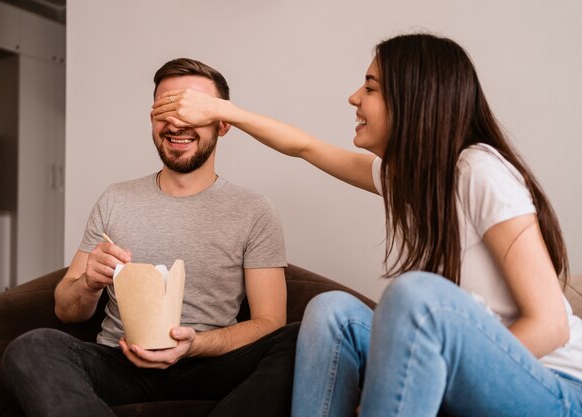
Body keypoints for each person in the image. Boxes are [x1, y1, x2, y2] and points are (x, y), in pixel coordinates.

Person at [151, 34, 582, 416]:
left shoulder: (479, 169)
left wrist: (436, 378)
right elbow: (305, 146)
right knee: (331, 311)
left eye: (371, 87)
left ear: (414, 98)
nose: (354, 97)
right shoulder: (409, 179)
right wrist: (223, 110)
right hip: (480, 371)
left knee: (418, 297)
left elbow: (550, 325)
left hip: (554, 389)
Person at [1, 58, 299, 417]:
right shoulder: (116, 199)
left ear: (223, 124)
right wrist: (89, 283)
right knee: (32, 347)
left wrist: (195, 345)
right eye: (164, 108)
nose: (176, 122)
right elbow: (66, 309)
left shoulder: (253, 209)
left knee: (301, 339)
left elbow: (269, 322)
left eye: (192, 110)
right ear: (151, 117)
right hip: (121, 363)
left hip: (211, 365)